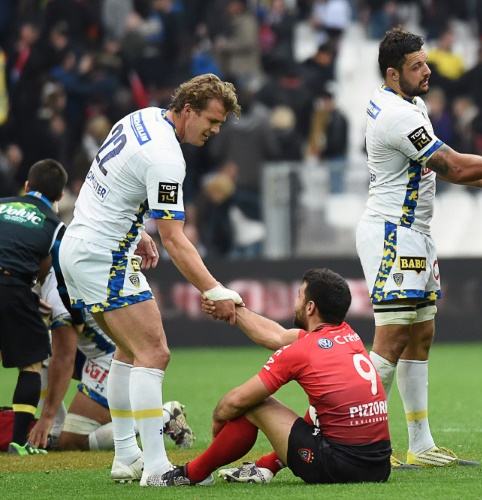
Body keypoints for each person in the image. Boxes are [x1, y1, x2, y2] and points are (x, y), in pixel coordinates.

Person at [357, 28, 482, 469]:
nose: (428, 71)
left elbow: (436, 167)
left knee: (421, 334)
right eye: (417, 65)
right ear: (393, 73)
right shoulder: (397, 115)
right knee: (392, 337)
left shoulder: (411, 105)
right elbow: (451, 165)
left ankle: (420, 445)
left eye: (426, 62)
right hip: (392, 232)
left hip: (416, 232)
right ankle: (357, 440)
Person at [58, 73, 244, 485]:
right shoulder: (166, 157)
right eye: (212, 121)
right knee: (154, 353)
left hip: (82, 245)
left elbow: (106, 184)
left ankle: (127, 456)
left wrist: (136, 231)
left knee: (129, 351)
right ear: (188, 110)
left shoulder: (141, 117)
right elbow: (175, 239)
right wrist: (214, 288)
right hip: (103, 256)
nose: (215, 130)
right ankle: (157, 468)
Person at [145, 268, 392, 486]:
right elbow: (276, 336)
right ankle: (265, 467)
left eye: (299, 296)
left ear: (310, 307)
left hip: (339, 466)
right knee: (323, 405)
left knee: (255, 405)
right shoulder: (349, 336)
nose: (295, 301)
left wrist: (218, 418)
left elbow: (236, 402)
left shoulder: (302, 351)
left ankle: (191, 474)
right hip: (379, 466)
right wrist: (233, 308)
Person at [28, 267, 194, 452]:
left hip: (110, 356)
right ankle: (56, 431)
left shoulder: (57, 290)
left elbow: (64, 357)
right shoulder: (39, 277)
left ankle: (164, 417)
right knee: (36, 349)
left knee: (73, 442)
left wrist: (46, 417)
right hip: (92, 352)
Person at [0, 159, 67, 455]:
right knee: (32, 362)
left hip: (13, 286)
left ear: (27, 186)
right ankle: (18, 441)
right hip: (14, 287)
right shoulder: (55, 225)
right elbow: (49, 267)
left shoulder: (1, 204)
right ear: (60, 196)